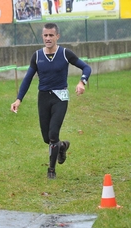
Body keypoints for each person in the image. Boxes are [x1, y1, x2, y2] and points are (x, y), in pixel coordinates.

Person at [10, 23, 91, 179]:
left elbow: (86, 68)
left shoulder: (65, 53)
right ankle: (61, 146)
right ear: (42, 37)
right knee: (47, 138)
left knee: (53, 133)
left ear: (57, 37)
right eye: (45, 35)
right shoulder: (37, 56)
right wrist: (18, 99)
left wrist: (82, 82)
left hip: (60, 97)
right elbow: (27, 79)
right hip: (44, 97)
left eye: (51, 35)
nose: (48, 38)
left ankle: (51, 171)